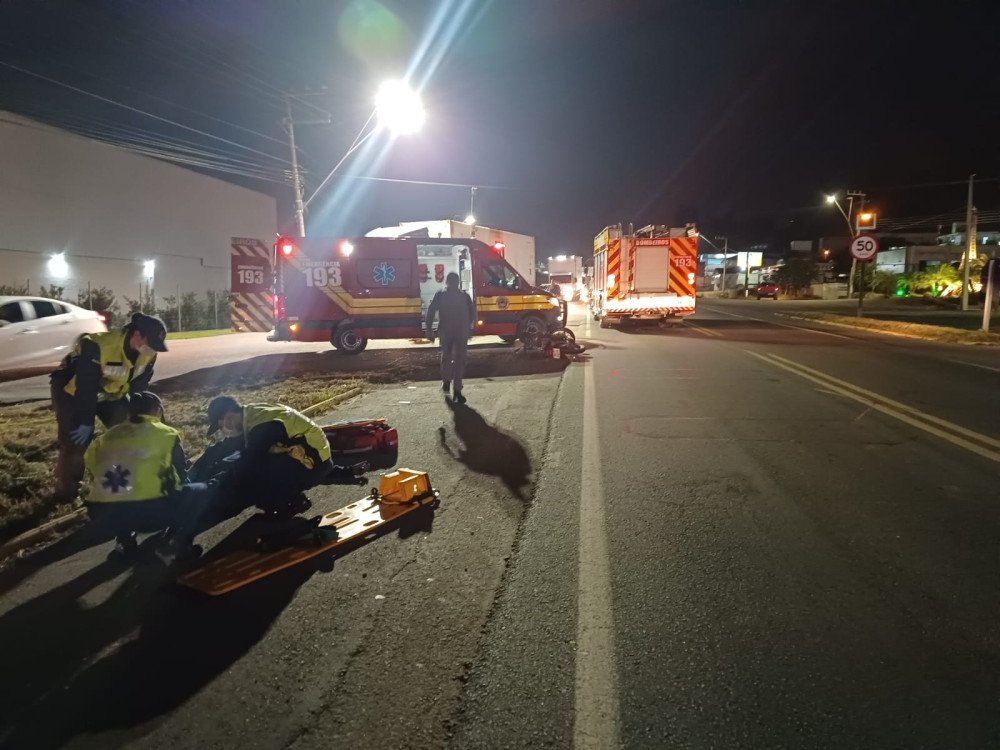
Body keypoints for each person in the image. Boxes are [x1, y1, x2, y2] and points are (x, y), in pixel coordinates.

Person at [50, 312, 169, 501]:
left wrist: (138, 414)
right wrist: (86, 421)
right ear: (136, 335)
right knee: (75, 442)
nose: (152, 351)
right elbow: (85, 388)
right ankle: (66, 490)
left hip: (111, 392)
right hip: (71, 391)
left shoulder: (149, 355)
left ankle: (120, 477)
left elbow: (139, 386)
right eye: (150, 344)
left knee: (127, 432)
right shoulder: (97, 346)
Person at [83, 391, 207, 561]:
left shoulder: (105, 437)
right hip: (150, 514)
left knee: (120, 493)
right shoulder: (166, 434)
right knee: (200, 491)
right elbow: (179, 474)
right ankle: (177, 542)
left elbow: (92, 467)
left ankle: (124, 542)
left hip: (102, 514)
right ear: (158, 410)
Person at [205, 396, 337, 518]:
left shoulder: (260, 427)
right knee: (257, 462)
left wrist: (213, 486)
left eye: (221, 427)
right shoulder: (254, 412)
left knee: (254, 476)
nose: (223, 432)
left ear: (229, 419)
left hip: (314, 465)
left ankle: (292, 503)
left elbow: (247, 464)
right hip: (316, 454)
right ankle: (286, 499)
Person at [425, 272, 476, 403]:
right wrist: (470, 329)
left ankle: (448, 382)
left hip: (447, 332)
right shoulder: (464, 296)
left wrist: (429, 329)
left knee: (447, 358)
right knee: (458, 361)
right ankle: (456, 390)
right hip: (459, 332)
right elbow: (472, 315)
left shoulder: (441, 295)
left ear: (446, 282)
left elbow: (431, 311)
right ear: (457, 282)